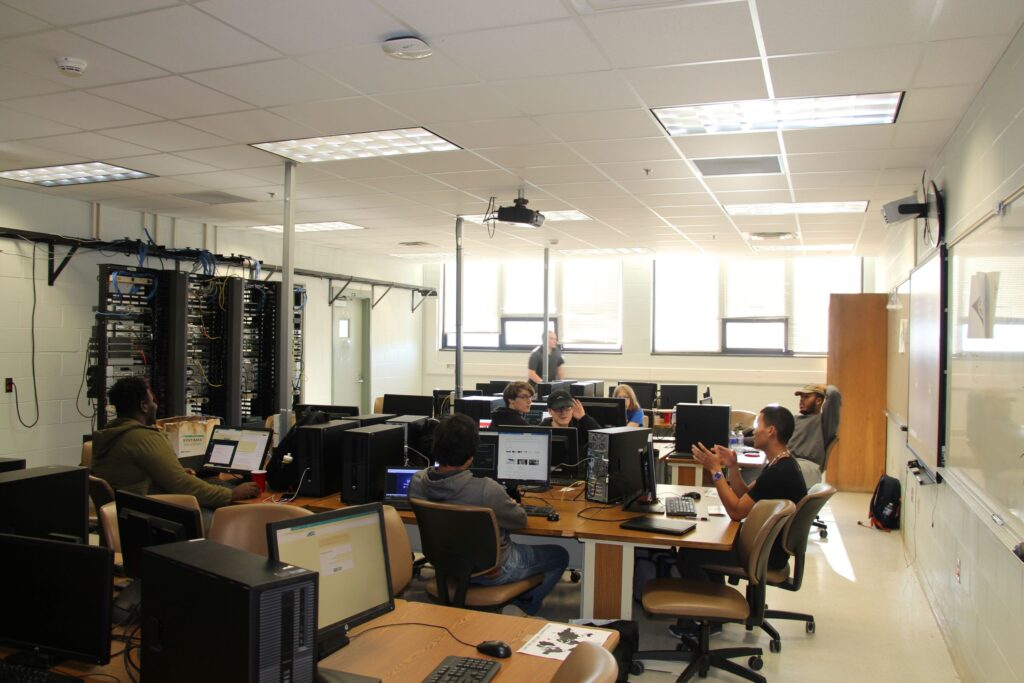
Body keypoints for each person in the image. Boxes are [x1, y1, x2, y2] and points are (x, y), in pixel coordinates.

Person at [407, 414, 569, 616]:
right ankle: (522, 608)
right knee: (560, 555)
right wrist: (509, 503)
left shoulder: (417, 482)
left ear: (435, 447)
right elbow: (520, 520)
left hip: (444, 566)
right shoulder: (486, 490)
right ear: (472, 454)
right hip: (492, 571)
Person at [91, 377, 259, 513]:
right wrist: (230, 494)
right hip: (149, 514)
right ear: (143, 406)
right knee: (225, 519)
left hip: (126, 514)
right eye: (152, 401)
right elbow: (181, 484)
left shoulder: (109, 434)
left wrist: (174, 472)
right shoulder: (143, 437)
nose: (155, 406)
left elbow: (131, 477)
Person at [680, 405, 807, 583]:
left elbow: (737, 512)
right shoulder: (782, 463)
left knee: (689, 552)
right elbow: (746, 494)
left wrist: (716, 471)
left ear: (771, 431)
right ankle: (716, 601)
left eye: (758, 426)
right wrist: (732, 466)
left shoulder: (779, 473)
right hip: (769, 547)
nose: (754, 431)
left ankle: (712, 606)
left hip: (764, 552)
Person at [788, 384, 841, 486]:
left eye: (806, 397)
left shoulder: (824, 422)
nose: (801, 400)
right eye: (801, 397)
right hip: (788, 463)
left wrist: (824, 387)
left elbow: (834, 394)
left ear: (818, 401)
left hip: (805, 466)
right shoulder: (794, 420)